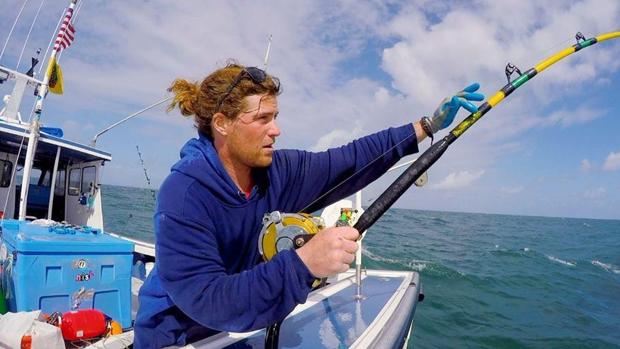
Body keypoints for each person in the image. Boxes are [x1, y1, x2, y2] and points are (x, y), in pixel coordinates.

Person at [134, 62, 483, 348]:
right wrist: (303, 263)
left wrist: (425, 126)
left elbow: (349, 160)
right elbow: (210, 299)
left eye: (275, 116)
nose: (277, 130)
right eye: (262, 119)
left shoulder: (277, 170)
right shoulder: (183, 196)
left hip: (240, 330)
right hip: (177, 338)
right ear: (222, 124)